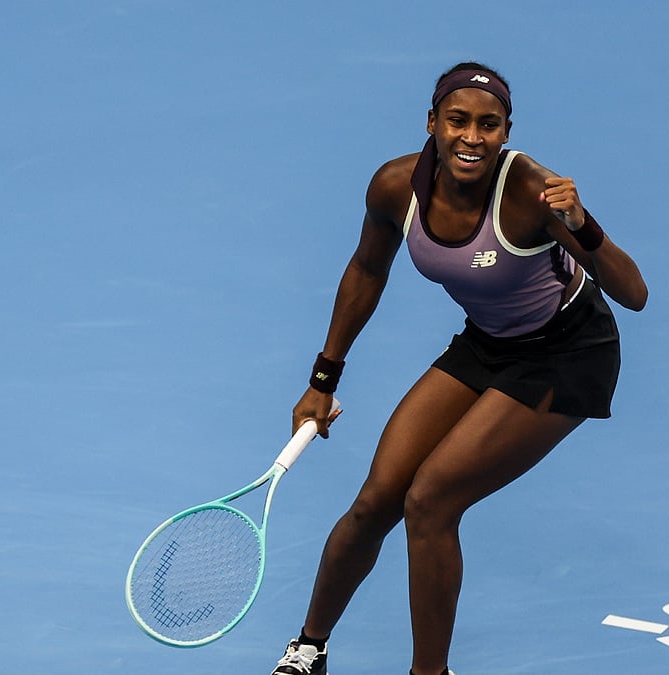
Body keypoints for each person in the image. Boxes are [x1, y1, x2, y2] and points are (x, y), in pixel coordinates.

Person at [272, 62, 647, 675]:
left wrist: (581, 223)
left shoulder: (532, 192)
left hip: (568, 354)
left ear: (506, 132)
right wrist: (322, 381)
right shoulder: (396, 188)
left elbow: (634, 294)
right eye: (458, 121)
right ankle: (309, 648)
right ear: (432, 124)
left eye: (488, 125)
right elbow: (367, 270)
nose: (472, 137)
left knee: (431, 500)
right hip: (487, 343)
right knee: (376, 501)